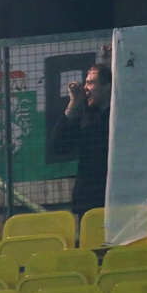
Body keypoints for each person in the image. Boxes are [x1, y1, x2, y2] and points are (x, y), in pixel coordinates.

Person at [51, 64, 112, 215]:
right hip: (88, 197)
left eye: (91, 83)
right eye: (85, 82)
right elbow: (58, 146)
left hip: (118, 194)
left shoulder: (121, 112)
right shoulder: (83, 112)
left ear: (107, 86)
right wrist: (73, 103)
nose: (85, 87)